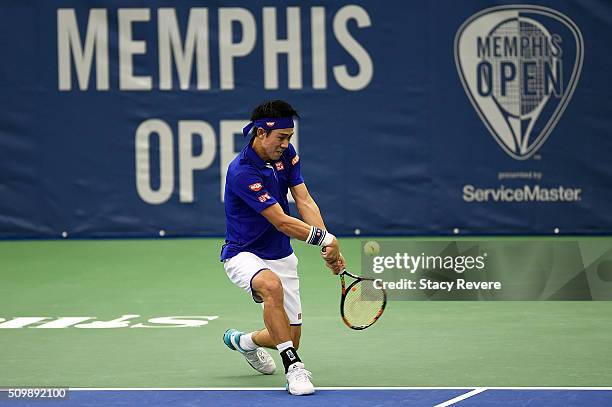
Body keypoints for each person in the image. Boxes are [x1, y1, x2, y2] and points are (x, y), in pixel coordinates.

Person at [220, 100, 345, 396]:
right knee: (270, 286)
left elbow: (303, 200)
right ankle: (294, 368)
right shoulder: (242, 172)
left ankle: (243, 342)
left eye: (289, 137)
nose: (286, 143)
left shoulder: (286, 155)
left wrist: (326, 245)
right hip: (243, 252)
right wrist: (327, 240)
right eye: (282, 137)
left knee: (289, 336)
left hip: (281, 254)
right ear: (261, 133)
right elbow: (282, 221)